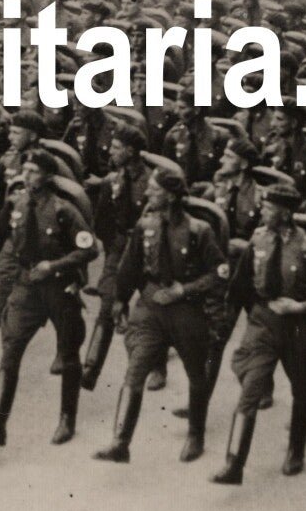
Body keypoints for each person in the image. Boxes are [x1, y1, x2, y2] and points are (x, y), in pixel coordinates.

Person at [210, 182, 306, 485]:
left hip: (297, 327)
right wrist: (225, 322)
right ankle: (234, 464)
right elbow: (241, 285)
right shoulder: (258, 240)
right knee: (250, 390)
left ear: (284, 213)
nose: (262, 212)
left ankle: (296, 450)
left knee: (302, 390)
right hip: (263, 324)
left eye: (269, 208)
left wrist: (299, 307)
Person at [93, 168, 224, 465]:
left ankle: (195, 435)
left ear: (172, 195)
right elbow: (130, 265)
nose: (147, 194)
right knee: (136, 369)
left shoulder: (198, 231)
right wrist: (120, 301)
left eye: (154, 189)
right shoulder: (145, 225)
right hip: (151, 305)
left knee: (196, 373)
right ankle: (120, 442)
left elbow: (218, 274)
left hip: (187, 310)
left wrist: (185, 290)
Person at [0, 148, 97, 449]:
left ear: (48, 176)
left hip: (58, 287)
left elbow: (89, 250)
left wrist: (54, 266)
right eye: (24, 170)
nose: (25, 176)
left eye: (32, 172)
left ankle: (67, 419)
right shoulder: (14, 204)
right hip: (26, 285)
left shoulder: (63, 210)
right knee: (10, 351)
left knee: (69, 353)